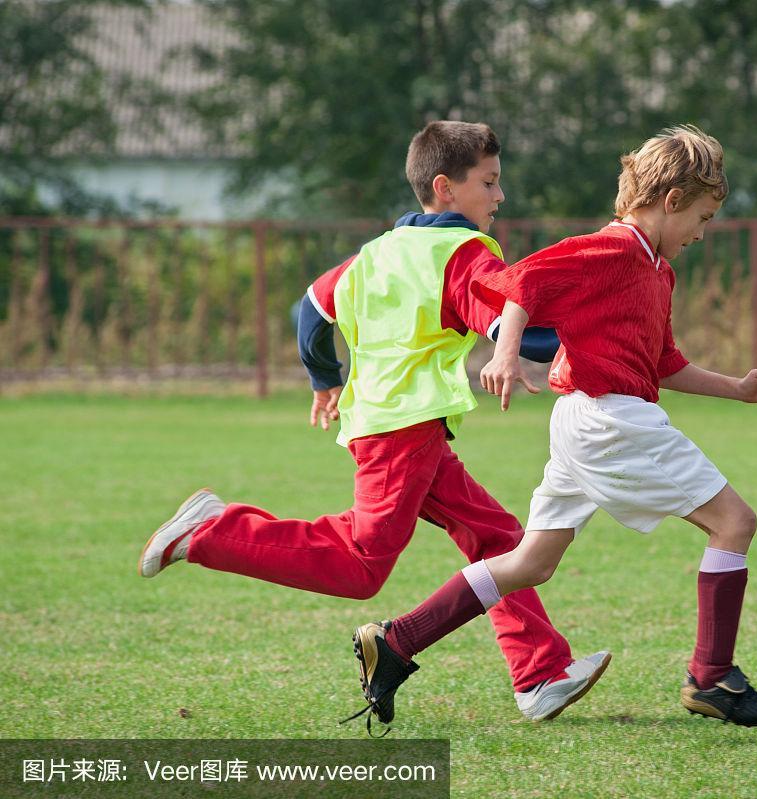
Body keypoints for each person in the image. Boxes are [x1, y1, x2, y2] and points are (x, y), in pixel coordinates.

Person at [137, 121, 609, 732]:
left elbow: (307, 308)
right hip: (401, 431)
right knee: (361, 565)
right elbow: (506, 327)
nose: (500, 197)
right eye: (489, 183)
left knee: (497, 538)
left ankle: (541, 673)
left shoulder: (379, 250)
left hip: (394, 425)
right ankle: (210, 532)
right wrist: (584, 339)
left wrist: (322, 376)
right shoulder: (464, 253)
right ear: (445, 187)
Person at [358, 125, 757, 727]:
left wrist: (737, 389)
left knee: (531, 562)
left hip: (585, 419)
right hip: (612, 419)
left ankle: (398, 641)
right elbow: (523, 283)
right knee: (735, 522)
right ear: (670, 200)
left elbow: (663, 363)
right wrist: (505, 353)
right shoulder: (611, 250)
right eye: (703, 217)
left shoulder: (656, 270)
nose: (701, 232)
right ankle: (710, 678)